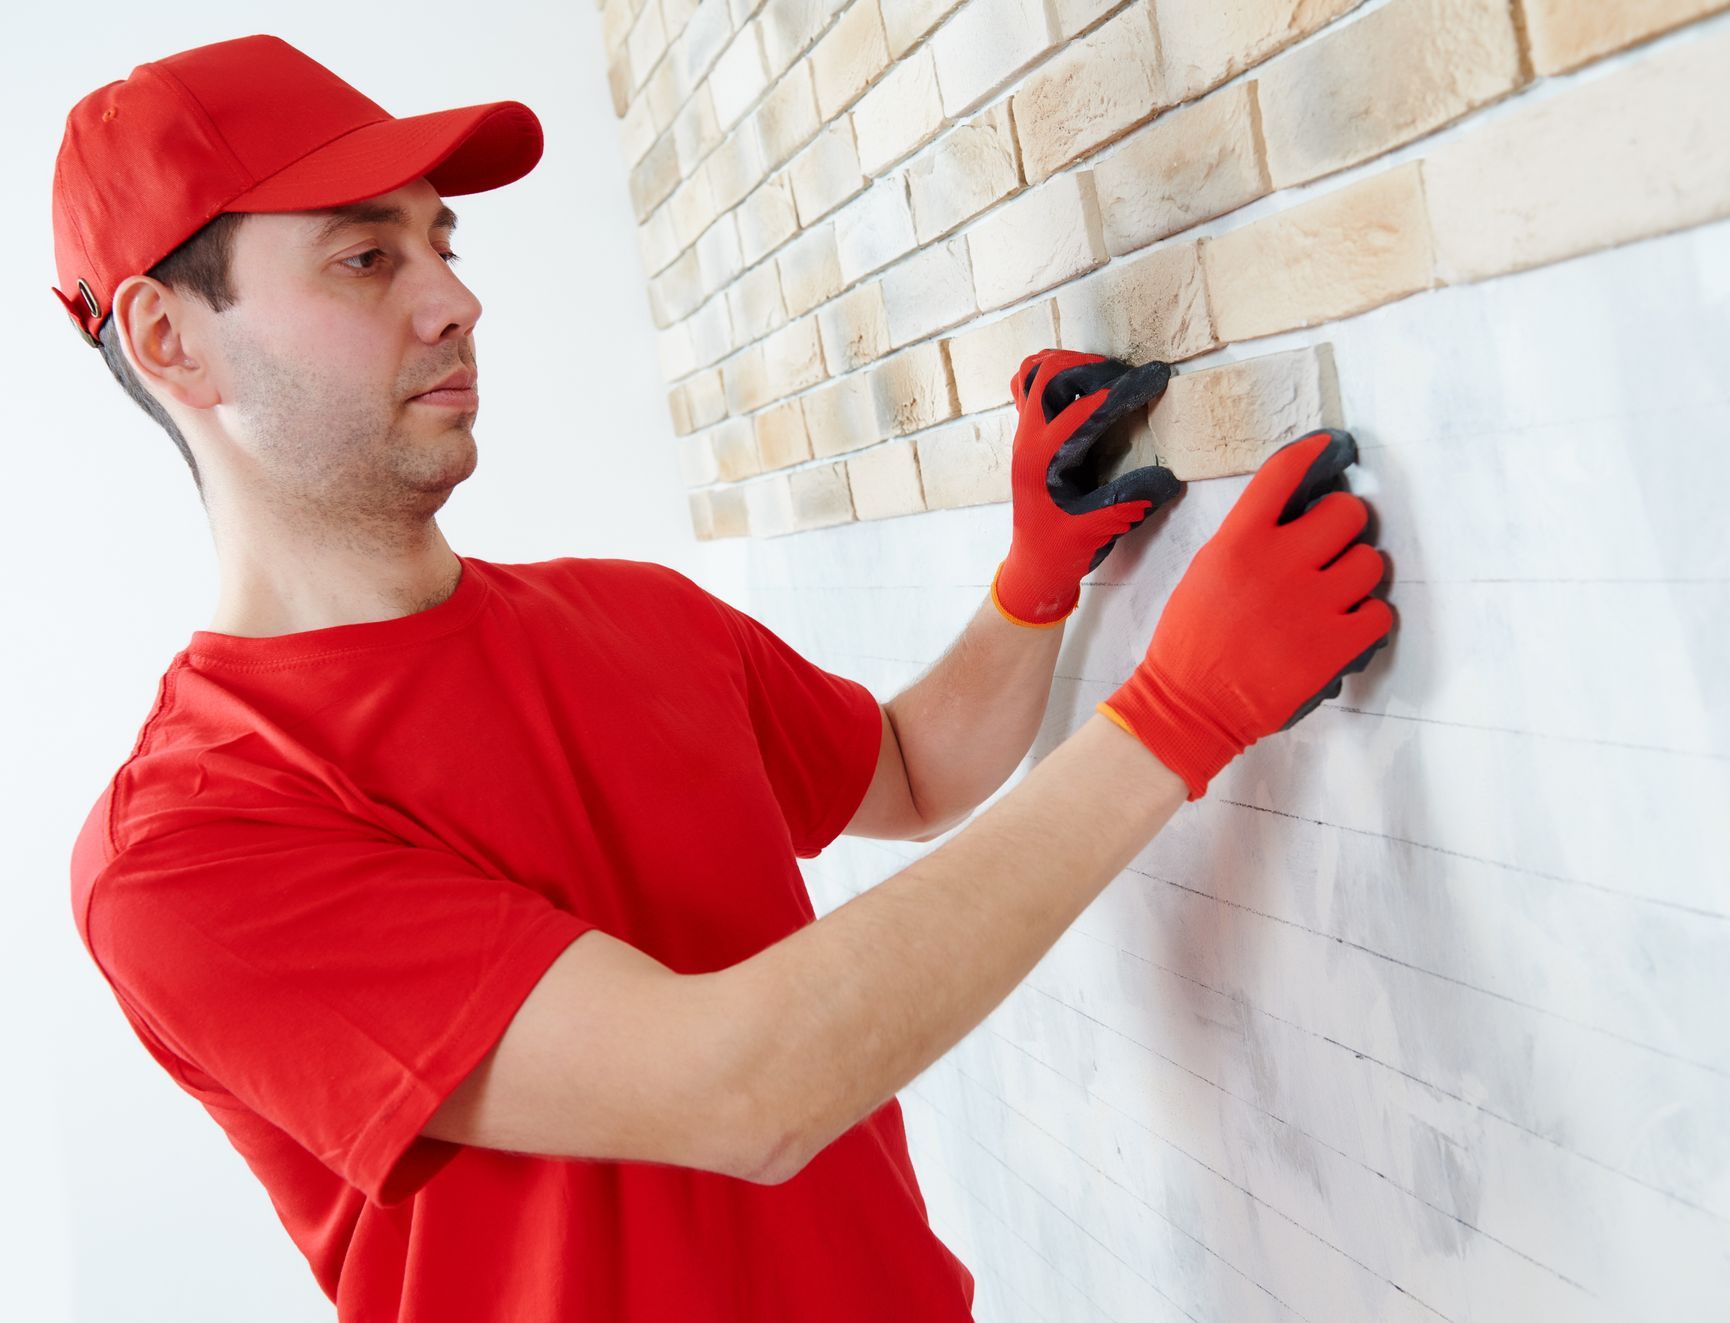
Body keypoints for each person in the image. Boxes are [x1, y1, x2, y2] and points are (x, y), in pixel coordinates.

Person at [56, 32, 1396, 1323]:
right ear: (170, 338)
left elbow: (916, 771)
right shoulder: (189, 848)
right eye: (364, 257)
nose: (454, 300)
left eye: (441, 243)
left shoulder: (632, 618)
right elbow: (740, 1091)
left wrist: (1033, 584)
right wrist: (1179, 713)